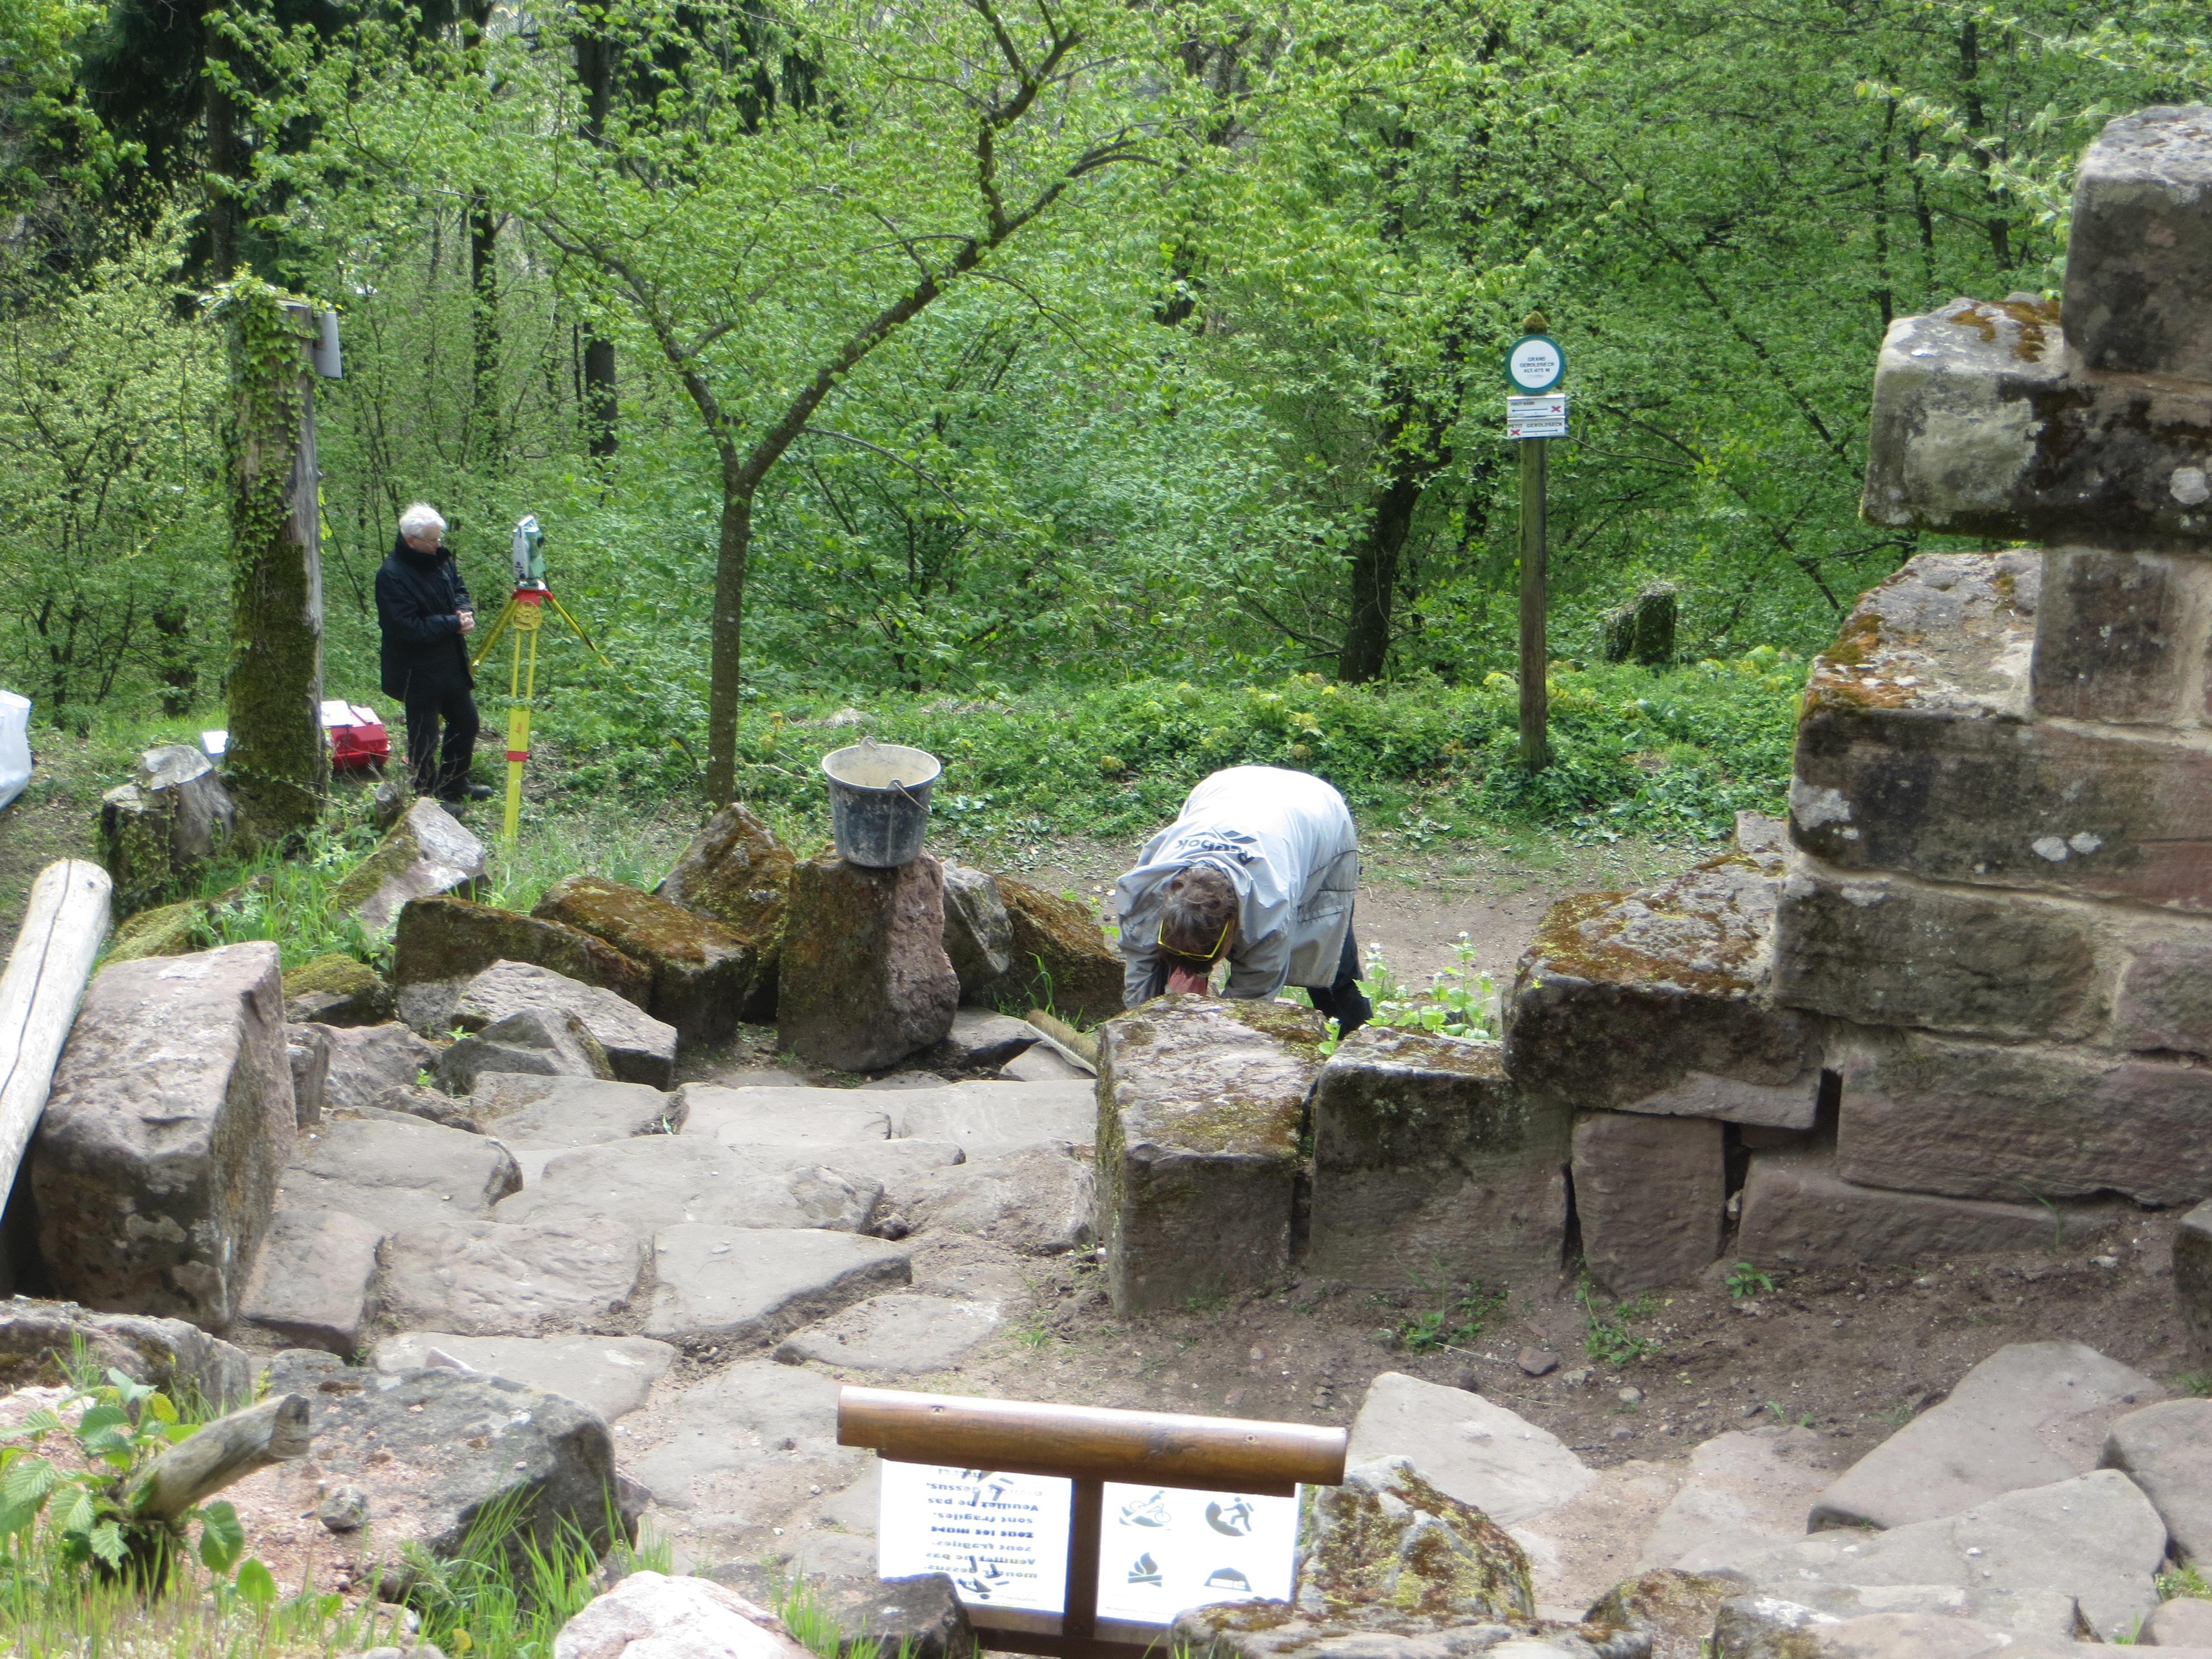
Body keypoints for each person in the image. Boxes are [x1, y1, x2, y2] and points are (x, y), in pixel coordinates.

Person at [1114, 764, 1372, 1034]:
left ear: (1233, 926)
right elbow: (1140, 973)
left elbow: (1250, 1005)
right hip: (1221, 789)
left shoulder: (1270, 914)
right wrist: (1142, 1029)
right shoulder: (1145, 896)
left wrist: (1215, 1035)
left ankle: (1355, 1042)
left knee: (1325, 958)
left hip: (1316, 809)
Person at [375, 502, 492, 803]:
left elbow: (459, 589)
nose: (439, 544)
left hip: (450, 662)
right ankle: (425, 798)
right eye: (433, 540)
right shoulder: (391, 575)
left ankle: (454, 785)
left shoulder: (440, 559)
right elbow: (407, 627)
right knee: (424, 739)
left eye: (440, 538)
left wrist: (464, 612)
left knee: (466, 723)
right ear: (412, 541)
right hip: (415, 671)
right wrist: (452, 624)